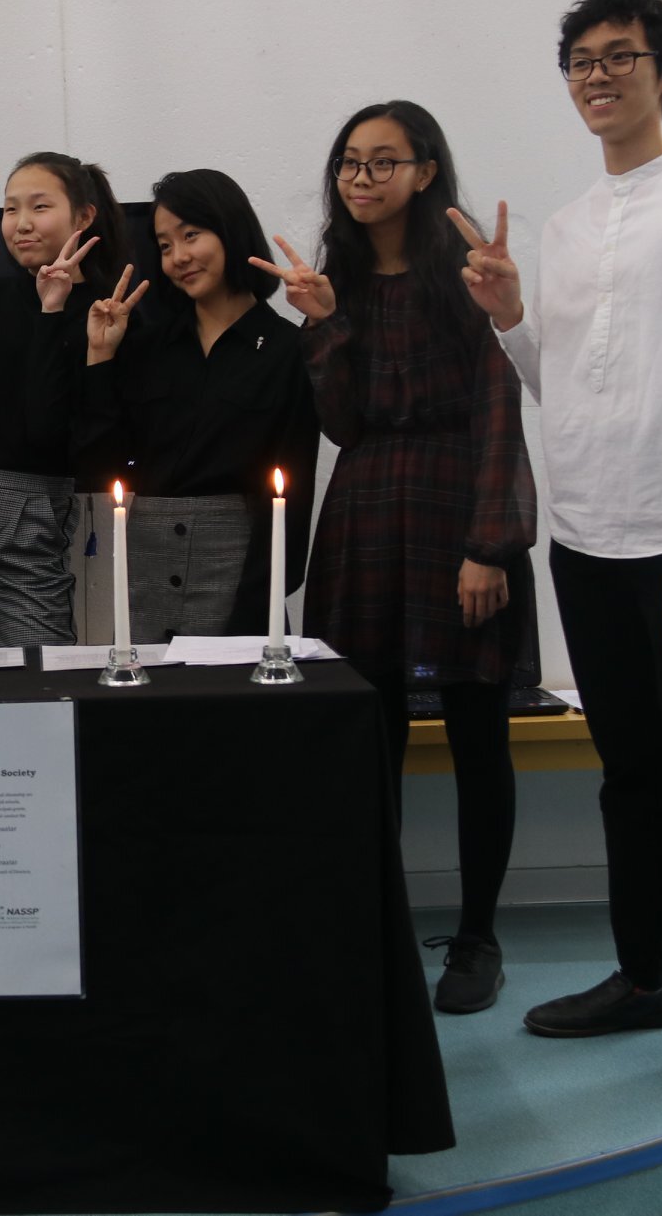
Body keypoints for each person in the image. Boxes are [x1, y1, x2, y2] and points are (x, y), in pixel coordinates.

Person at [455, 0, 662, 1100]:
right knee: (630, 772)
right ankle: (647, 975)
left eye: (621, 57)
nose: (598, 75)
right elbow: (568, 385)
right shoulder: (573, 222)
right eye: (581, 60)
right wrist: (510, 318)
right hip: (588, 540)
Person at [253, 102, 538, 1013]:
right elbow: (342, 424)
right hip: (369, 510)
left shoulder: (470, 275)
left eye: (384, 161)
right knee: (369, 736)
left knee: (475, 735)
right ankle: (373, 925)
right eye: (349, 162)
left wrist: (490, 544)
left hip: (458, 504)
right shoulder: (337, 282)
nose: (362, 177)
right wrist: (327, 326)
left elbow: (500, 405)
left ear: (425, 171)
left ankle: (479, 936)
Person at [70, 169, 319, 640]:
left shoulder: (289, 349)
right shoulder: (144, 346)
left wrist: (262, 598)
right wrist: (100, 357)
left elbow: (294, 488)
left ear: (230, 230)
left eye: (191, 236)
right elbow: (100, 461)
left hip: (239, 573)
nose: (179, 257)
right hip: (137, 568)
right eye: (164, 246)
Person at [0, 151, 125, 647]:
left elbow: (47, 431)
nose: (21, 224)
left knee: (35, 674)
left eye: (39, 207)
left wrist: (52, 311)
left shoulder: (105, 310)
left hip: (33, 506)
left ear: (83, 216)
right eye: (11, 209)